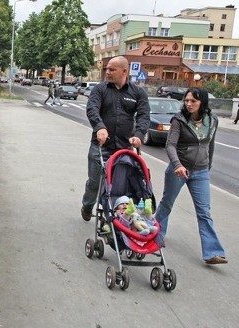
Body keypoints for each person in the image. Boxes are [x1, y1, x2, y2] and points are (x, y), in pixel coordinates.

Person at [154, 87, 228, 265]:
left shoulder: (212, 120)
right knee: (167, 203)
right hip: (179, 170)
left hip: (201, 171)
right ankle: (155, 235)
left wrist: (207, 166)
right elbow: (170, 145)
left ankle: (212, 253)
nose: (188, 104)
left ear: (202, 102)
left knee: (204, 211)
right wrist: (177, 165)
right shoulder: (179, 120)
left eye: (193, 101)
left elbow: (210, 144)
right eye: (186, 101)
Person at [80, 56, 150, 222]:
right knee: (95, 182)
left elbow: (144, 116)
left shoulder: (138, 93)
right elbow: (92, 109)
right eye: (107, 69)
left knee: (118, 185)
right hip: (101, 146)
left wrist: (139, 135)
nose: (107, 72)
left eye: (112, 69)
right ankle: (88, 205)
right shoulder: (100, 89)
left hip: (123, 148)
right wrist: (100, 127)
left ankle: (111, 217)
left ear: (124, 71)